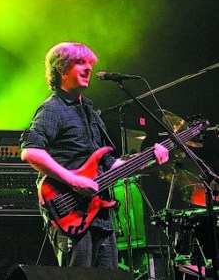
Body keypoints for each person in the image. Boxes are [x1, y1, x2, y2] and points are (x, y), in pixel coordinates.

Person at [20, 41, 168, 269]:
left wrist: (147, 160)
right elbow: (30, 151)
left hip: (99, 216)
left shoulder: (89, 111)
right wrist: (73, 180)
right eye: (80, 62)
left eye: (90, 63)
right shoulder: (53, 108)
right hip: (69, 212)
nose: (88, 68)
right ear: (61, 68)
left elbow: (108, 163)